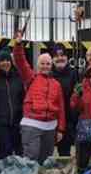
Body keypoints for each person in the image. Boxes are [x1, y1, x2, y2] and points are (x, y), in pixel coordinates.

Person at [12, 30, 65, 163]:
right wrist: (18, 44)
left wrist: (61, 129)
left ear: (51, 65)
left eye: (48, 64)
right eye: (42, 63)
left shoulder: (56, 84)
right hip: (32, 125)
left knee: (45, 161)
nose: (45, 66)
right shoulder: (30, 77)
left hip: (50, 127)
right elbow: (20, 61)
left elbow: (61, 108)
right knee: (31, 160)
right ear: (37, 65)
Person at [0, 50, 24, 160]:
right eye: (2, 60)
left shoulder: (17, 78)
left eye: (8, 60)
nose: (5, 63)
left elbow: (21, 97)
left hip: (16, 121)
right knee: (6, 148)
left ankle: (13, 173)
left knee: (18, 149)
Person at [51, 43, 79, 157]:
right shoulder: (48, 74)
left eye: (62, 55)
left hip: (68, 122)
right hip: (51, 120)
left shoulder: (73, 74)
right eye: (56, 56)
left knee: (65, 154)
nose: (59, 58)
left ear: (67, 58)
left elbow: (77, 97)